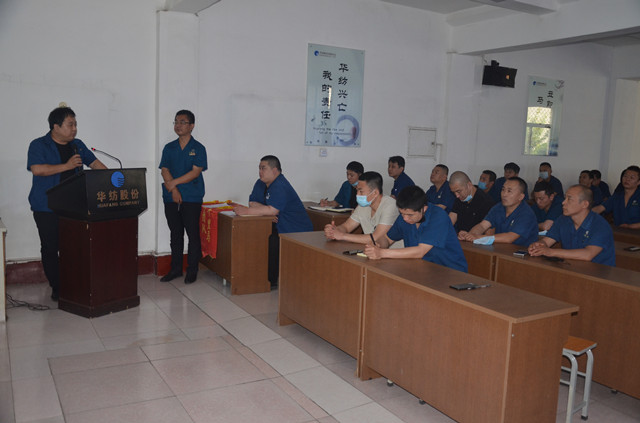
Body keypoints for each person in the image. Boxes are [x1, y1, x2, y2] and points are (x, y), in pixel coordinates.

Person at [27, 106, 107, 300]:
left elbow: (95, 164)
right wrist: (67, 166)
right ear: (56, 127)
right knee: (50, 247)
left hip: (74, 206)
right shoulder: (39, 144)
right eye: (70, 125)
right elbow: (38, 169)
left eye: (75, 124)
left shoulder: (77, 145)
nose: (74, 129)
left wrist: (112, 179)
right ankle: (57, 287)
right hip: (46, 206)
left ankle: (75, 283)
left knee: (74, 246)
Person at [234, 155, 313, 287]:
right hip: (278, 226)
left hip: (295, 231)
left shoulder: (280, 185)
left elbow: (272, 210)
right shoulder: (260, 183)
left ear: (275, 171)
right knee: (256, 235)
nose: (260, 171)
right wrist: (266, 210)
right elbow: (253, 202)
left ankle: (270, 280)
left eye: (263, 168)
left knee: (270, 241)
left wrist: (249, 211)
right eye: (259, 168)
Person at [364, 185, 467, 272]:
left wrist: (381, 253)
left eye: (410, 215)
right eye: (402, 213)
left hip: (450, 272)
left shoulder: (438, 216)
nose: (405, 218)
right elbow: (387, 239)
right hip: (422, 269)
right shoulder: (404, 217)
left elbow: (420, 251)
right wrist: (378, 244)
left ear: (424, 209)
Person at [159, 110, 208, 284]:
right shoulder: (169, 147)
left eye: (182, 122)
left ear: (191, 126)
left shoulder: (198, 148)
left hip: (192, 197)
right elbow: (164, 169)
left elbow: (195, 172)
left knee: (193, 235)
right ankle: (176, 269)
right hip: (171, 198)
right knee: (175, 234)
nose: (178, 125)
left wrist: (173, 183)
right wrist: (173, 190)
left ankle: (192, 270)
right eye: (176, 122)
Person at [528, 185, 615, 266]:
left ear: (584, 204)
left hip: (598, 273)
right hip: (572, 268)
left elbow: (588, 254)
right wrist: (539, 245)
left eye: (569, 199)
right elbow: (547, 241)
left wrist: (550, 252)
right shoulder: (563, 219)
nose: (563, 202)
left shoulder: (600, 225)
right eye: (565, 198)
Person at [324, 171, 402, 247]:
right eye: (357, 190)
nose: (357, 194)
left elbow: (376, 238)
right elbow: (346, 227)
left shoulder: (390, 205)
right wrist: (334, 231)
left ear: (375, 193)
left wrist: (342, 236)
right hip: (372, 251)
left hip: (394, 252)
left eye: (361, 191)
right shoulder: (363, 206)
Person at [459, 177, 538, 246]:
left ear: (521, 196)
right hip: (500, 250)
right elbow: (482, 226)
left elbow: (509, 238)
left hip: (522, 254)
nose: (504, 194)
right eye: (503, 190)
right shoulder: (498, 207)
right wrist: (469, 235)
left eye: (509, 191)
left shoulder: (526, 213)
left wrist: (479, 237)